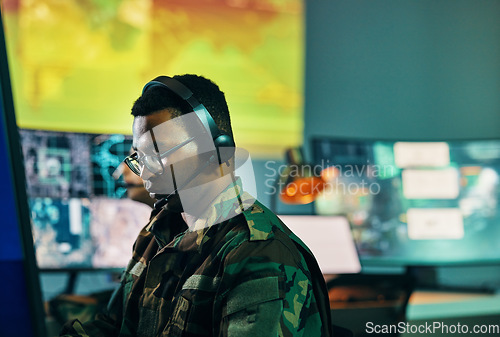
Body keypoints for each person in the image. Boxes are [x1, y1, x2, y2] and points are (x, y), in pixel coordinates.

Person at [60, 74, 333, 336]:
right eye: (140, 157)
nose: (145, 172)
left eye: (157, 152)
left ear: (216, 151)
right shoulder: (155, 234)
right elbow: (114, 325)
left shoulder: (259, 254)